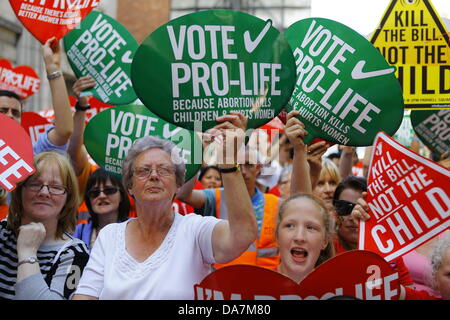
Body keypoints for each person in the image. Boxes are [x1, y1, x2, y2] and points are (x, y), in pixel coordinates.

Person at [73, 113, 257, 300]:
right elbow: (85, 295)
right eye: (144, 170)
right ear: (129, 186)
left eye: (164, 170)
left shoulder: (194, 230)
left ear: (178, 185)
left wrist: (228, 162)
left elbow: (243, 234)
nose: (154, 176)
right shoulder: (109, 236)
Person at [0, 152, 89, 299]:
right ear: (20, 191)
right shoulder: (3, 231)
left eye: (55, 187)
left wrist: (27, 252)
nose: (44, 192)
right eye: (35, 184)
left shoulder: (75, 253)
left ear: (68, 198)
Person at [177, 144, 281, 270]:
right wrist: (197, 151)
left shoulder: (277, 204)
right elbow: (184, 195)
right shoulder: (216, 196)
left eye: (248, 165)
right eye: (237, 165)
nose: (243, 171)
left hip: (265, 284)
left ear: (258, 168)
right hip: (221, 282)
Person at [0, 37, 73, 155]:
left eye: (16, 113)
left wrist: (52, 67)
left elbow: (63, 131)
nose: (10, 115)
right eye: (3, 110)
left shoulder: (29, 153)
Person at [276, 193, 335, 283]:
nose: (299, 237)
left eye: (310, 228)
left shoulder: (338, 290)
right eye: (290, 225)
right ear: (277, 235)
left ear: (325, 241)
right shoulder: (253, 290)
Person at [73, 168, 131, 251]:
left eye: (109, 190)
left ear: (121, 195)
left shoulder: (136, 227)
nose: (102, 196)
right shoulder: (77, 232)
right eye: (95, 192)